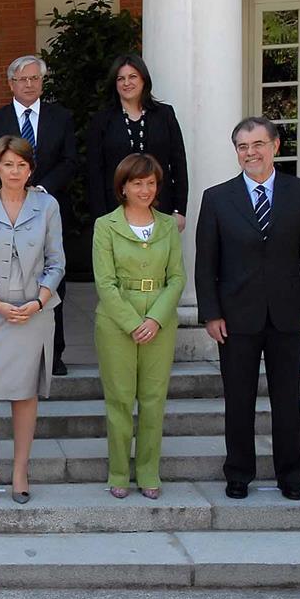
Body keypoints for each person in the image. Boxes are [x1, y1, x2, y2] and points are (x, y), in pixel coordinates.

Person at [197, 116, 300, 501]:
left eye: (257, 144)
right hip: (235, 317)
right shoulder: (217, 197)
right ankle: (238, 473)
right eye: (242, 146)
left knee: (287, 399)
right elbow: (206, 262)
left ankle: (292, 475)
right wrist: (211, 313)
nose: (250, 153)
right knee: (238, 399)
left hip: (287, 313)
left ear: (275, 146)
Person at [0, 136, 66, 505]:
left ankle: (21, 470)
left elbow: (57, 261)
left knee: (24, 395)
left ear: (30, 169)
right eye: (8, 165)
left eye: (21, 165)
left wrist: (38, 302)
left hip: (33, 313)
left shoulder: (47, 205)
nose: (15, 171)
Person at [93, 154, 185, 499]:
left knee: (153, 399)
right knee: (119, 399)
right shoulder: (106, 226)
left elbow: (176, 277)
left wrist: (154, 319)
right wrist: (133, 322)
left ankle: (148, 470)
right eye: (137, 183)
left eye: (150, 183)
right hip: (117, 322)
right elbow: (104, 282)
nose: (144, 189)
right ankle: (118, 472)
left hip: (159, 321)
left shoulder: (167, 226)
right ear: (123, 186)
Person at [0, 56, 77, 376]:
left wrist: (42, 189)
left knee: (50, 278)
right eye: (23, 80)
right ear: (11, 84)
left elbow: (69, 161)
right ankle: (13, 351)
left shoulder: (60, 117)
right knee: (11, 280)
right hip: (7, 213)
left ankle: (54, 352)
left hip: (49, 208)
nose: (30, 84)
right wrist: (15, 192)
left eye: (35, 78)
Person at [86, 53, 189, 230]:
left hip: (161, 207)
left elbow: (178, 163)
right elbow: (95, 171)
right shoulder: (102, 120)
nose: (127, 83)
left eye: (132, 76)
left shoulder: (164, 115)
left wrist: (179, 210)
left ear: (143, 79)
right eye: (121, 78)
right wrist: (101, 216)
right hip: (115, 211)